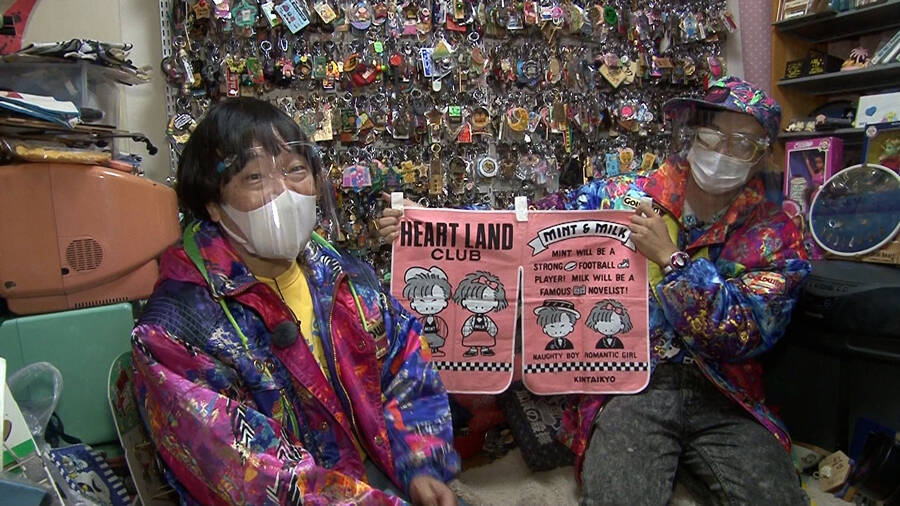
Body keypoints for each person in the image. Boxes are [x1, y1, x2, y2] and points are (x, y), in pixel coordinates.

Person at [377, 76, 811, 504]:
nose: (722, 153)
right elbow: (525, 225)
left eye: (742, 144)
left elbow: (744, 332)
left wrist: (671, 260)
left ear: (761, 155)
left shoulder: (776, 233)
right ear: (693, 133)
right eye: (714, 136)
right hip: (630, 386)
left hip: (727, 394)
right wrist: (428, 224)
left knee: (775, 495)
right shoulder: (622, 196)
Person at [132, 97, 461, 506]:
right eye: (254, 177)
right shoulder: (177, 328)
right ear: (213, 205)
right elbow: (251, 475)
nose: (283, 192)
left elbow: (404, 362)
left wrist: (419, 463)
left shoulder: (341, 275)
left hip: (378, 476)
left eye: (295, 170)